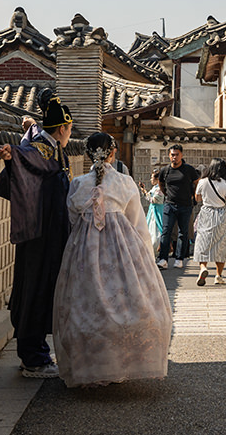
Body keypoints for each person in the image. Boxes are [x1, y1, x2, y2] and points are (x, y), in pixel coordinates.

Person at [53, 133, 173, 387]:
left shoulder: (77, 184)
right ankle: (123, 363)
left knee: (85, 306)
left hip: (84, 251)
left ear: (87, 155)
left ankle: (91, 367)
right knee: (125, 303)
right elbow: (138, 223)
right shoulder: (125, 182)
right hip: (123, 251)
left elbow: (72, 219)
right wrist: (147, 260)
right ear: (113, 153)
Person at [0, 97, 73, 378]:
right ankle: (32, 357)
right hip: (40, 234)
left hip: (51, 233)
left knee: (44, 289)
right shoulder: (42, 149)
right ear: (63, 128)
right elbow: (27, 155)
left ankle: (37, 350)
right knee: (35, 289)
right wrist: (11, 154)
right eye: (69, 127)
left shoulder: (53, 147)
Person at [192, 158, 226, 286]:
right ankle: (218, 275)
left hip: (206, 212)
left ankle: (203, 268)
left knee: (202, 242)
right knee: (221, 245)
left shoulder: (202, 182)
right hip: (222, 214)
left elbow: (198, 198)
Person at [156, 144, 200, 270]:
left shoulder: (188, 169)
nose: (174, 157)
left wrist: (193, 195)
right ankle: (163, 259)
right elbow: (161, 183)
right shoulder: (165, 170)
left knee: (183, 232)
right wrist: (166, 194)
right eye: (172, 155)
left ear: (181, 155)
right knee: (166, 232)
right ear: (169, 156)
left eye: (176, 154)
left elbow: (197, 182)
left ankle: (179, 258)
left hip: (185, 205)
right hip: (169, 204)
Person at [141, 168, 164, 254]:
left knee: (157, 231)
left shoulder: (160, 189)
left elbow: (153, 200)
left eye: (152, 178)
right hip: (153, 211)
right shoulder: (155, 188)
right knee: (151, 229)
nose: (151, 179)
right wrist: (144, 191)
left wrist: (146, 193)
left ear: (157, 179)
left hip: (157, 211)